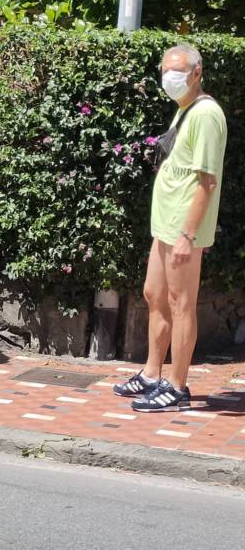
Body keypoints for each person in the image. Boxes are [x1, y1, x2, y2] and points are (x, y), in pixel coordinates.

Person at [113, 44, 226, 412]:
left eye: (177, 71)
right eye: (165, 71)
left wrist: (188, 235)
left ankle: (177, 386)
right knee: (153, 295)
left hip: (182, 231)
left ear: (197, 72)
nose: (169, 78)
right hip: (165, 226)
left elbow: (207, 181)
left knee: (181, 304)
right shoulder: (185, 111)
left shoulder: (206, 114)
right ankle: (151, 374)